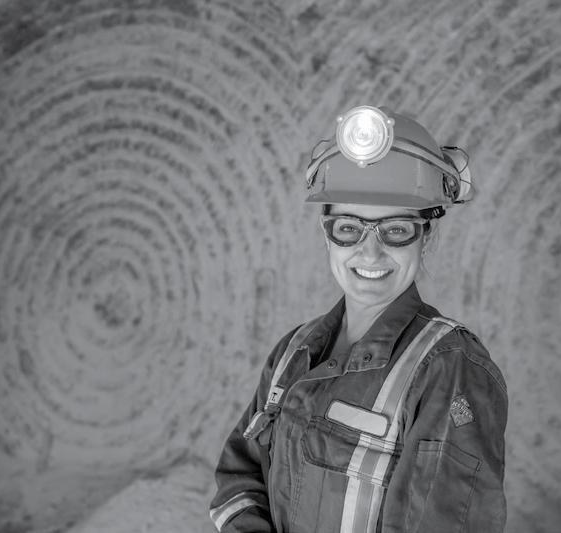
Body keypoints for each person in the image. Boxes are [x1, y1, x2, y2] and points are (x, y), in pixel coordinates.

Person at [209, 105, 508, 533]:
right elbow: (239, 477)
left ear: (426, 236)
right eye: (349, 228)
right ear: (326, 233)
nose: (370, 253)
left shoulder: (449, 369)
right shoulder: (294, 352)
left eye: (396, 230)